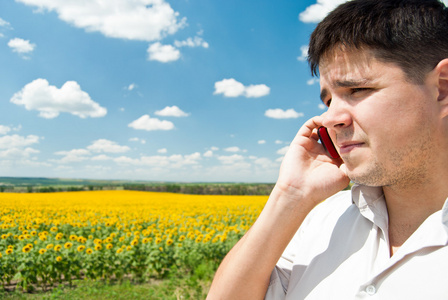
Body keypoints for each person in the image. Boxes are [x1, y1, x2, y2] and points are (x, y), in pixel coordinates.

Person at [206, 0, 448, 299]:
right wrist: (290, 196)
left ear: (443, 87)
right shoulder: (321, 221)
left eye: (357, 90)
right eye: (328, 100)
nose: (330, 118)